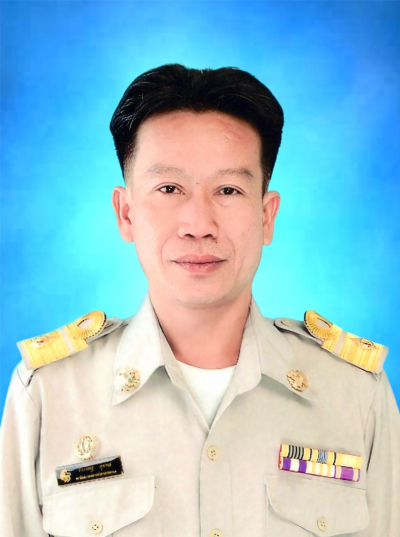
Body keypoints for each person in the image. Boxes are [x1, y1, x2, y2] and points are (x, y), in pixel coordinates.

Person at [0, 64, 399, 537]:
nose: (198, 224)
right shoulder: (48, 394)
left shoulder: (355, 395)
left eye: (228, 190)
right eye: (169, 189)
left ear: (266, 216)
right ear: (126, 213)